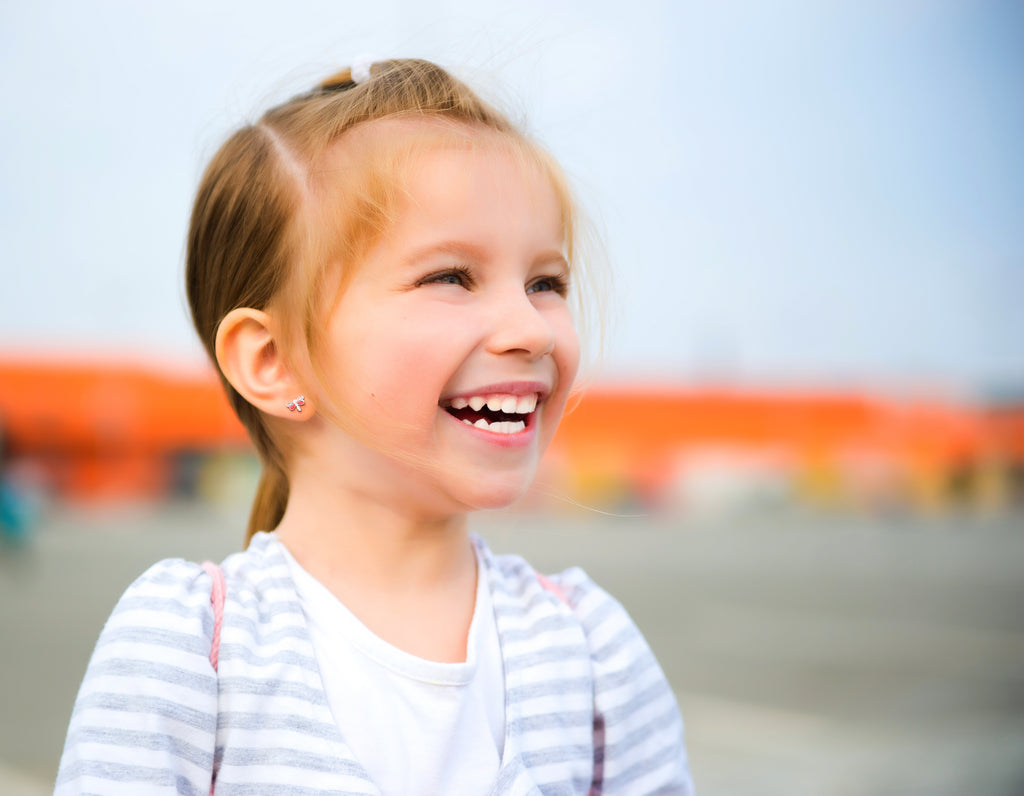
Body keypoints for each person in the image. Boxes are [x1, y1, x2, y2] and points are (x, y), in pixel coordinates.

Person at [55, 58, 694, 795]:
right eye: (451, 276)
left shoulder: (591, 655)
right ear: (274, 362)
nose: (531, 329)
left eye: (544, 283)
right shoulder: (193, 651)